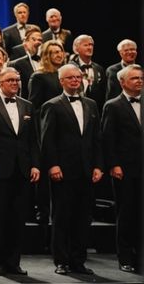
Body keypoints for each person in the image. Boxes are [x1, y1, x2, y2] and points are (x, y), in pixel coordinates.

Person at [0, 67, 40, 276]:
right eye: (10, 80)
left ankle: (14, 262)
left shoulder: (27, 105)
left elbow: (33, 140)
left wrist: (36, 165)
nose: (15, 83)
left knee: (18, 219)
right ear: (0, 83)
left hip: (22, 170)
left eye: (17, 80)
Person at [40, 64, 104, 276]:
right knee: (62, 217)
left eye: (78, 77)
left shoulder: (92, 104)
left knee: (82, 218)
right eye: (71, 78)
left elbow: (96, 139)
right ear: (62, 81)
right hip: (63, 170)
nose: (76, 80)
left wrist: (98, 165)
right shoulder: (52, 105)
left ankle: (78, 260)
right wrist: (53, 165)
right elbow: (47, 140)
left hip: (86, 170)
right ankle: (62, 260)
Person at [102, 64, 143, 273]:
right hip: (125, 169)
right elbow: (108, 139)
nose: (139, 81)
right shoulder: (113, 105)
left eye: (141, 78)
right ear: (122, 82)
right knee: (126, 214)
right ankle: (125, 257)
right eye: (134, 78)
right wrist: (113, 164)